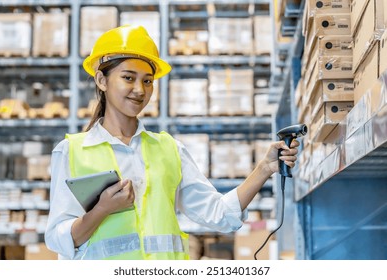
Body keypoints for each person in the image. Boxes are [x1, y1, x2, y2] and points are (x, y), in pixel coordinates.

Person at [45, 24, 299, 260]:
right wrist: (102, 209)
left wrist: (265, 168)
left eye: (147, 81)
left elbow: (220, 215)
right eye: (128, 77)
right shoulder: (72, 151)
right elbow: (58, 239)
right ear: (102, 80)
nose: (140, 90)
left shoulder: (169, 150)